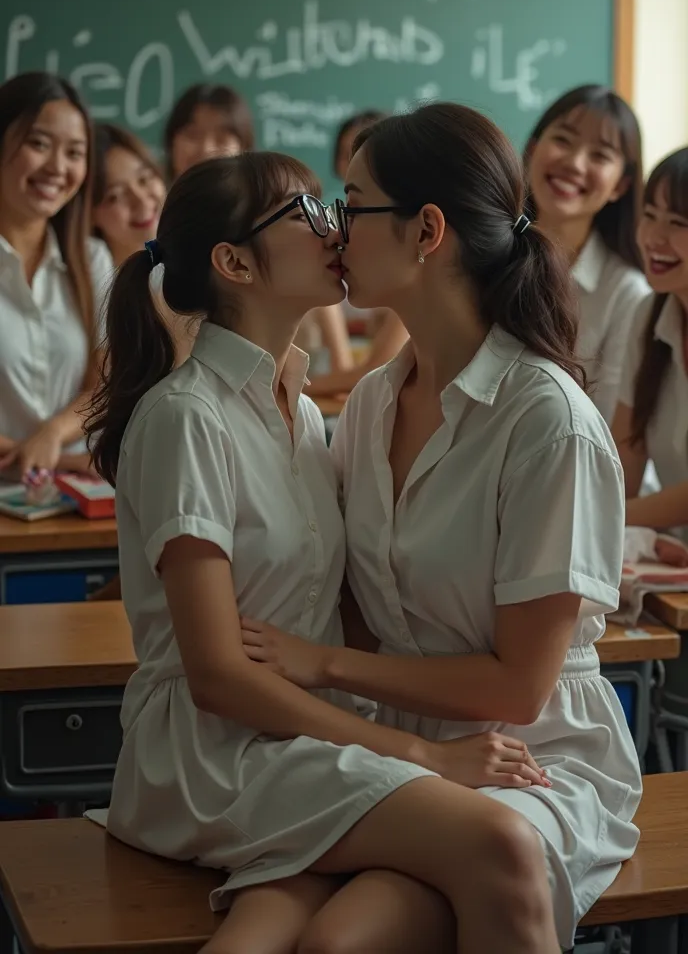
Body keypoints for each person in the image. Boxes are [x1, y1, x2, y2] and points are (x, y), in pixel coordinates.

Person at [86, 151, 561, 954]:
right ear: (233, 262)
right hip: (213, 754)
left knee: (283, 931)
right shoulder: (186, 417)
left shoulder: (304, 415)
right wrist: (424, 755)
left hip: (304, 740)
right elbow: (216, 677)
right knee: (499, 844)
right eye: (305, 213)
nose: (334, 226)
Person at [239, 103, 643, 952]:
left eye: (352, 203)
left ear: (427, 231)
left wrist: (323, 664)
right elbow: (354, 593)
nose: (334, 230)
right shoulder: (375, 399)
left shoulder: (547, 421)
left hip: (531, 757)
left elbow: (517, 690)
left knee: (341, 942)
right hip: (402, 746)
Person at [0, 72, 113, 482]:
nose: (57, 168)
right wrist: (44, 455)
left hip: (75, 504)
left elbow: (106, 384)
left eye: (74, 152)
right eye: (38, 144)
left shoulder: (91, 258)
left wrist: (52, 435)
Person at [525, 84, 650, 423]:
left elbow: (607, 425)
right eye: (563, 140)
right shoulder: (485, 255)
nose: (575, 164)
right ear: (533, 149)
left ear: (620, 186)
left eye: (600, 155)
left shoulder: (628, 292)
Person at [612, 147, 688, 538]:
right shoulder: (649, 314)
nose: (654, 237)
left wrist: (610, 517)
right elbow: (625, 454)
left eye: (677, 222)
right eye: (650, 215)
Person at [308, 109, 408, 399]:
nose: (337, 237)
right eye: (348, 153)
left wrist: (282, 384)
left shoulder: (409, 260)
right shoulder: (335, 232)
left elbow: (375, 372)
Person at [92, 123, 196, 366]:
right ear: (88, 213)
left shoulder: (192, 261)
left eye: (144, 178)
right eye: (115, 196)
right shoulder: (97, 284)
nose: (140, 200)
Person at [164, 82, 254, 182]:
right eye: (193, 135)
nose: (206, 149)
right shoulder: (151, 195)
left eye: (221, 139)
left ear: (244, 149)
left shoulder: (263, 197)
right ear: (171, 143)